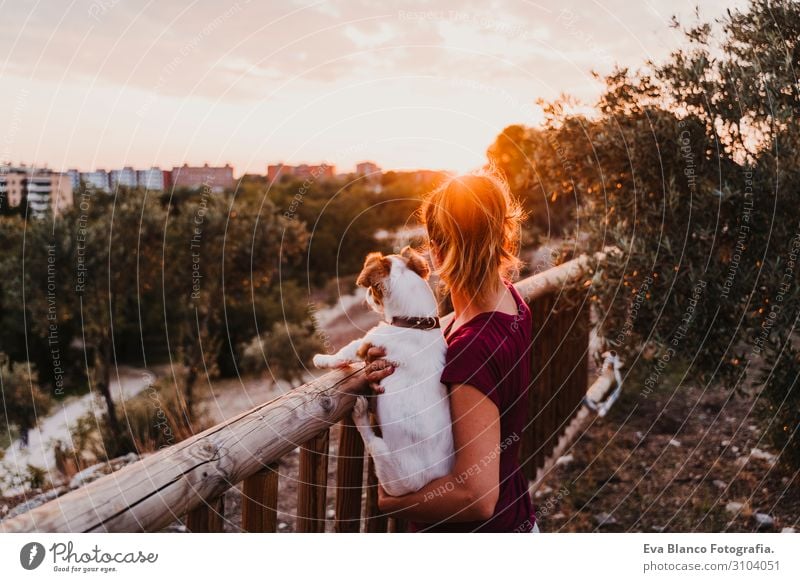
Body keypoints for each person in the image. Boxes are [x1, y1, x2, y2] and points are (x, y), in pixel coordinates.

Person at [363, 171, 538, 532]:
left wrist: (390, 502)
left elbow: (476, 495)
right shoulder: (510, 302)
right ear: (500, 236)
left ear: (438, 252)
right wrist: (396, 347)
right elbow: (442, 334)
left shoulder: (472, 350)